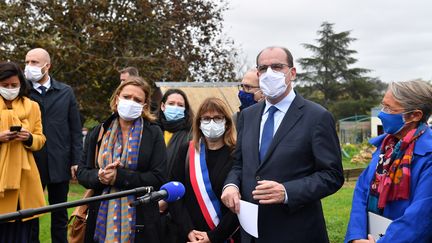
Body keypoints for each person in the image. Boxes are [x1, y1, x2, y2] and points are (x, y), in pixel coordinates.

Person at [221, 46, 344, 242]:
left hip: (297, 231)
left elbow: (332, 176)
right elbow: (239, 164)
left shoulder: (317, 117)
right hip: (252, 233)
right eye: (263, 68)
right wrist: (231, 185)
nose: (269, 73)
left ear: (292, 72)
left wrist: (287, 192)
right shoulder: (247, 116)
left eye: (277, 67)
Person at [77, 77, 167, 243]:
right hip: (100, 217)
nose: (131, 102)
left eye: (137, 100)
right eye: (126, 97)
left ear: (144, 106)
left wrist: (120, 177)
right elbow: (82, 173)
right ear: (117, 98)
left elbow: (159, 178)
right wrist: (100, 176)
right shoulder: (99, 131)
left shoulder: (153, 133)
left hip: (141, 220)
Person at [345, 80, 432, 243]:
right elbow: (362, 191)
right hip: (370, 236)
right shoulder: (386, 146)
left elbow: (421, 215)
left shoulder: (428, 154)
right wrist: (356, 236)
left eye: (389, 108)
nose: (381, 114)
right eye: (382, 106)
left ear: (415, 115)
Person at [25, 47, 83, 243]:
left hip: (60, 160)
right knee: (31, 213)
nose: (29, 66)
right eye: (27, 62)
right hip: (31, 161)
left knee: (59, 213)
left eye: (34, 62)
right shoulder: (22, 92)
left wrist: (76, 160)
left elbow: (76, 130)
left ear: (47, 66)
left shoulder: (65, 92)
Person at [169, 97, 240, 243]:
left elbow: (241, 201)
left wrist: (213, 237)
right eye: (206, 119)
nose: (211, 123)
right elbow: (175, 196)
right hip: (190, 236)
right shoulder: (186, 152)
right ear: (199, 123)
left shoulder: (237, 154)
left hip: (226, 236)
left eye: (218, 118)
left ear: (226, 123)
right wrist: (188, 230)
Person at [0, 62, 46, 242]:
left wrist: (28, 138)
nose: (10, 89)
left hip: (24, 179)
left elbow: (40, 139)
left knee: (23, 230)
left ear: (21, 84)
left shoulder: (32, 106)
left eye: (14, 85)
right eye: (5, 86)